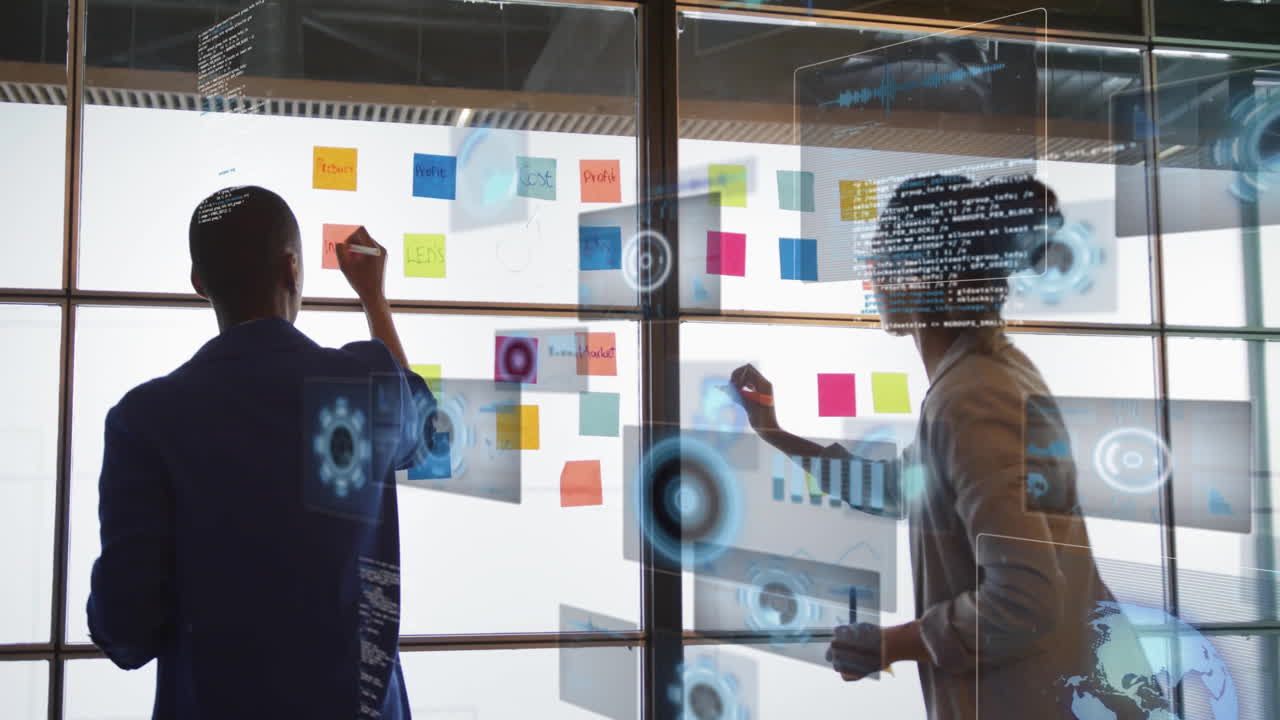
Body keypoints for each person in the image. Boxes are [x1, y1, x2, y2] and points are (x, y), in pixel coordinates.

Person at [729, 174, 1117, 720]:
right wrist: (775, 432)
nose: (872, 271)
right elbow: (902, 489)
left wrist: (890, 645)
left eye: (883, 252)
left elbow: (1025, 603)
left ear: (920, 273)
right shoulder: (985, 376)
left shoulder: (973, 398)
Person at [87, 186, 430, 719]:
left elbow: (124, 629)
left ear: (199, 283)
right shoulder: (363, 385)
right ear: (293, 270)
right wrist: (372, 298)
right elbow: (430, 438)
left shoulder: (145, 419)